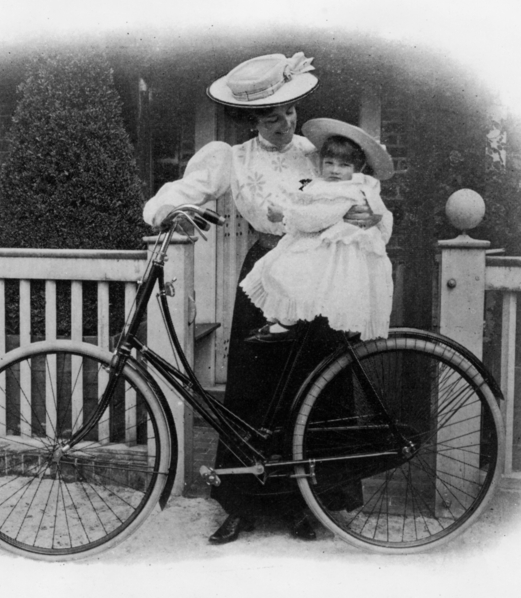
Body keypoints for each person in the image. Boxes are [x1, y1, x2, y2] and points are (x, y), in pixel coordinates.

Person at [142, 53, 392, 545]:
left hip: (318, 274)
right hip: (265, 273)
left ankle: (310, 504)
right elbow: (183, 191)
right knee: (253, 389)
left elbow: (367, 200)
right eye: (270, 117)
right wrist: (164, 212)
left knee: (316, 386)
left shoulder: (317, 152)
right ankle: (242, 504)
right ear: (249, 119)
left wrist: (370, 219)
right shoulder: (231, 159)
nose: (284, 125)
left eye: (290, 113)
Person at [240, 118, 394, 343]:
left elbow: (318, 217)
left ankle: (292, 322)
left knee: (289, 273)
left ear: (358, 168)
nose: (334, 170)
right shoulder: (324, 182)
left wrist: (285, 215)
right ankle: (285, 320)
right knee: (278, 269)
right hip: (324, 248)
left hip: (339, 254)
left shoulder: (348, 190)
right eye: (329, 163)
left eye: (344, 165)